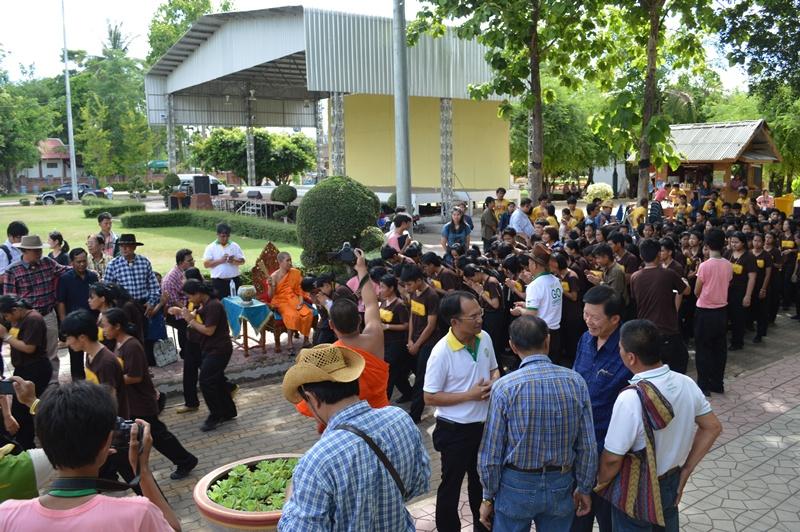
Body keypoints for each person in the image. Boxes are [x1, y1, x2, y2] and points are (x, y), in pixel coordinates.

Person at [279, 344, 430, 531]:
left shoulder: (316, 462)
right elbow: (419, 484)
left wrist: (291, 495)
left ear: (312, 398)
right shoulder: (400, 419)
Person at [0, 381, 180, 531]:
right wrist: (143, 471)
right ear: (106, 443)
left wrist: (31, 402)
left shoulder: (7, 515)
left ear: (43, 442)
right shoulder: (136, 514)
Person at [598, 320, 722, 532]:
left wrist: (601, 483)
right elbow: (712, 427)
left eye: (620, 348)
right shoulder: (686, 383)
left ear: (631, 357)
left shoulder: (630, 398)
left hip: (637, 488)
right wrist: (686, 470)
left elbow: (612, 459)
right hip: (671, 481)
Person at [479, 316, 597, 531]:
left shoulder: (505, 387)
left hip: (515, 484)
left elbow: (491, 451)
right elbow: (587, 445)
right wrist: (584, 487)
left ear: (513, 346)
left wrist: (488, 496)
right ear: (547, 340)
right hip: (561, 482)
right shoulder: (576, 382)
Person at [424, 291, 499, 532]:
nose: (479, 319)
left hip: (484, 427)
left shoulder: (484, 338)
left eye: (480, 313)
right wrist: (470, 395)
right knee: (451, 485)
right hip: (454, 431)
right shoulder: (441, 352)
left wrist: (494, 381)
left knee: (481, 483)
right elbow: (429, 396)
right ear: (454, 321)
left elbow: (494, 368)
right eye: (473, 316)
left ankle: (482, 527)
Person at [101, 308, 198, 480]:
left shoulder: (131, 346)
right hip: (131, 402)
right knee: (152, 435)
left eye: (105, 325)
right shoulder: (117, 344)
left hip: (141, 401)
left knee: (158, 435)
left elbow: (135, 376)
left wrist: (112, 380)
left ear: (117, 326)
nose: (103, 329)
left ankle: (186, 460)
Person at [571, 285, 630, 532]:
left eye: (594, 317)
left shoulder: (627, 350)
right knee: (577, 517)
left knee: (609, 520)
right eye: (585, 314)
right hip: (579, 446)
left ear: (615, 319)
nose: (588, 321)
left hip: (610, 451)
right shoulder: (585, 339)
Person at [60, 309, 135, 486]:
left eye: (69, 338)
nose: (67, 342)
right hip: (104, 429)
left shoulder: (105, 362)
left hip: (114, 432)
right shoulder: (91, 356)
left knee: (135, 478)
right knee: (100, 479)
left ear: (82, 337)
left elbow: (110, 401)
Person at [3, 235, 69, 383]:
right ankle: (27, 384)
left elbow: (64, 270)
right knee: (26, 352)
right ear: (25, 251)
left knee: (52, 352)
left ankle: (52, 384)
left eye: (40, 250)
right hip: (25, 320)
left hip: (47, 314)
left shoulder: (47, 262)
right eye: (35, 250)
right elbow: (9, 299)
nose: (39, 253)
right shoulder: (12, 270)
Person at [175, 279, 236, 432]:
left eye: (190, 296)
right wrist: (185, 314)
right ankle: (228, 411)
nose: (189, 300)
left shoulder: (214, 305)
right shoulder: (203, 304)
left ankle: (215, 415)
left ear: (198, 293)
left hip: (219, 349)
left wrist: (190, 320)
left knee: (206, 381)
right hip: (209, 348)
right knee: (217, 380)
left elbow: (209, 330)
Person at [630, 239, 691, 374]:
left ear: (641, 256)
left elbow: (635, 298)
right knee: (677, 366)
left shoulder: (635, 277)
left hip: (646, 331)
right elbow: (686, 291)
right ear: (658, 254)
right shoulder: (668, 274)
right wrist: (685, 282)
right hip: (667, 329)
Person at [0, 295, 51, 450]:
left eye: (7, 316)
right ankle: (26, 443)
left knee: (24, 409)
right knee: (21, 409)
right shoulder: (20, 319)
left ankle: (27, 445)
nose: (7, 319)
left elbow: (29, 348)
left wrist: (6, 336)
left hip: (35, 368)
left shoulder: (33, 319)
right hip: (23, 368)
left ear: (15, 310)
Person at [400, 265, 441, 424]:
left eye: (409, 284)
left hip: (428, 342)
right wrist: (410, 339)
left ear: (418, 280)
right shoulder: (414, 293)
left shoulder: (431, 295)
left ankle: (415, 414)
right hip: (415, 341)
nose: (407, 288)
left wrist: (417, 344)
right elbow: (412, 316)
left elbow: (431, 325)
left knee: (421, 379)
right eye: (405, 285)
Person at [694, 229, 733, 396]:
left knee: (703, 349)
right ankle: (718, 383)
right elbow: (728, 283)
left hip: (705, 312)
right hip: (722, 311)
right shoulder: (728, 264)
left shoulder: (704, 266)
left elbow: (697, 290)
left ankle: (703, 385)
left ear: (707, 244)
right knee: (719, 349)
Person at [161, 249, 201, 412]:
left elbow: (199, 320)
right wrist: (182, 311)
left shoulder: (203, 301)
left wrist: (184, 313)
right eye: (189, 261)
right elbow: (176, 302)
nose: (182, 281)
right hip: (192, 334)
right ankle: (191, 402)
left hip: (199, 338)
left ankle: (226, 389)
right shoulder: (173, 280)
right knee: (192, 368)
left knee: (204, 372)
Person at [511, 243, 563, 360]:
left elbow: (531, 313)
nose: (528, 266)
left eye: (529, 263)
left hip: (541, 333)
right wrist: (525, 305)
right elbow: (547, 304)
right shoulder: (556, 280)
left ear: (534, 264)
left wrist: (520, 310)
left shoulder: (535, 285)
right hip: (556, 332)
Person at [56, 248, 99, 381]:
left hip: (91, 322)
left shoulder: (93, 276)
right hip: (74, 324)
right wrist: (64, 324)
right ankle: (78, 384)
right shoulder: (65, 279)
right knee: (76, 357)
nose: (82, 264)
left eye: (84, 261)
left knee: (95, 354)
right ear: (71, 262)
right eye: (78, 262)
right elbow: (61, 302)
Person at [103, 234, 161, 322]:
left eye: (127, 246)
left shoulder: (144, 262)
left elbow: (155, 287)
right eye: (121, 246)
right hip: (122, 307)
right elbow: (106, 290)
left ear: (134, 247)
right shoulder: (113, 265)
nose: (124, 249)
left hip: (142, 306)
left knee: (143, 329)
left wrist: (151, 302)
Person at [267, 252, 313, 352]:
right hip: (281, 301)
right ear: (280, 262)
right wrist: (271, 286)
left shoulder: (295, 273)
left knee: (308, 313)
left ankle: (306, 340)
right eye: (287, 260)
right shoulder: (274, 276)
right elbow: (270, 296)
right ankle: (289, 343)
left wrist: (301, 301)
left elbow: (299, 289)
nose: (290, 263)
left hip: (294, 299)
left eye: (290, 260)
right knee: (292, 316)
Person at [379, 274, 412, 402]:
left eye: (383, 287)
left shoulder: (399, 305)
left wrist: (388, 326)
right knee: (397, 374)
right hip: (385, 343)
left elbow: (406, 325)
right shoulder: (383, 302)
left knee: (389, 374)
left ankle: (383, 401)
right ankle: (408, 393)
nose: (380, 290)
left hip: (396, 344)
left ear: (391, 288)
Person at [726, 231, 756, 351]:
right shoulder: (728, 253)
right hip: (727, 289)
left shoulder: (749, 257)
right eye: (732, 242)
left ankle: (738, 342)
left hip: (740, 291)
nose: (733, 244)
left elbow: (752, 278)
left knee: (737, 317)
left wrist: (748, 295)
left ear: (743, 243)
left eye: (736, 242)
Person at [202, 223, 246, 299]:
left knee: (237, 301)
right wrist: (221, 260)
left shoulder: (234, 246)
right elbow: (206, 264)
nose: (225, 238)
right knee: (221, 303)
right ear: (217, 234)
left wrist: (233, 261)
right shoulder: (211, 247)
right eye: (223, 236)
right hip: (218, 282)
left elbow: (242, 261)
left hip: (234, 280)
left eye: (227, 236)